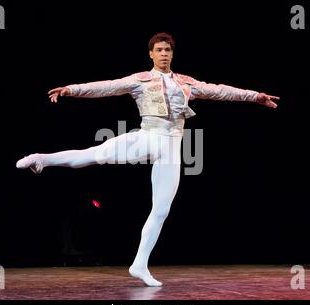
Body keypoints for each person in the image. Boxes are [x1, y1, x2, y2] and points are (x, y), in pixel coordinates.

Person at [16, 32, 279, 286]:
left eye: (168, 50)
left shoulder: (186, 82)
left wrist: (255, 96)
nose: (164, 54)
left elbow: (220, 90)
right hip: (146, 137)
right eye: (159, 50)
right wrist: (71, 89)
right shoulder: (139, 80)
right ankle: (41, 158)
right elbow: (107, 87)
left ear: (172, 54)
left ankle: (139, 265)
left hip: (171, 146)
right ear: (151, 54)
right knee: (92, 155)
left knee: (162, 209)